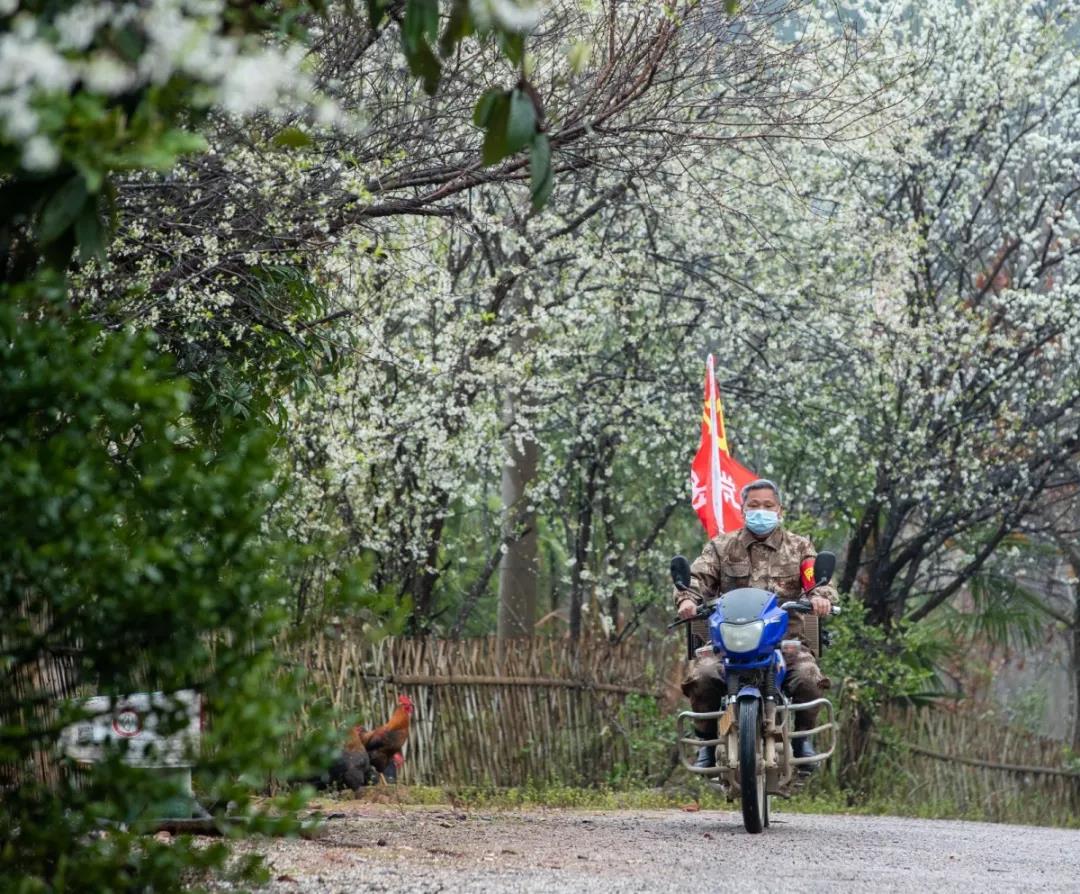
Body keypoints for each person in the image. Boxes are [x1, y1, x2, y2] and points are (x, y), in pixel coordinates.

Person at [673, 478, 837, 769]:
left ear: (780, 510)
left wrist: (820, 597)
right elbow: (698, 578)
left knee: (808, 678)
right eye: (754, 505)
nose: (762, 511)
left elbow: (815, 581)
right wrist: (687, 599)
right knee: (703, 676)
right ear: (743, 510)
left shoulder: (800, 547)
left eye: (768, 505)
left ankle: (802, 740)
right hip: (729, 641)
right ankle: (707, 743)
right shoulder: (721, 547)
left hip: (785, 643)